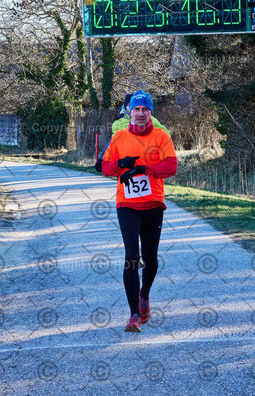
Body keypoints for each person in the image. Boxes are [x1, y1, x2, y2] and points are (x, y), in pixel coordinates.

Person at [102, 89, 177, 332]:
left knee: (151, 259)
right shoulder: (120, 137)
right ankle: (134, 314)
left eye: (145, 109)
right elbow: (104, 167)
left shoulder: (161, 136)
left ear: (151, 112)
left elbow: (171, 166)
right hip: (127, 204)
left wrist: (146, 169)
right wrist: (119, 164)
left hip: (153, 203)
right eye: (136, 109)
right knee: (131, 256)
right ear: (129, 112)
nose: (141, 113)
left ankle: (144, 295)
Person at [95, 94, 169, 172]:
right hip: (126, 162)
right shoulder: (118, 123)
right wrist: (102, 159)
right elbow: (112, 143)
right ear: (125, 107)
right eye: (129, 105)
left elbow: (165, 135)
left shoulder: (151, 120)